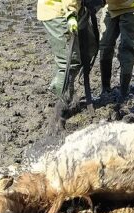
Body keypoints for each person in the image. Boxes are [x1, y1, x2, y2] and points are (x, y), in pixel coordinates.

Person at [37, 0, 100, 131]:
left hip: (78, 8)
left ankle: (64, 90)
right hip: (59, 11)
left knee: (90, 47)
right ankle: (60, 110)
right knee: (70, 62)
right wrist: (71, 14)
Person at [99, 0, 134, 100]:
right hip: (110, 8)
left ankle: (124, 92)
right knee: (105, 46)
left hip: (132, 7)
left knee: (126, 49)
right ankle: (105, 89)